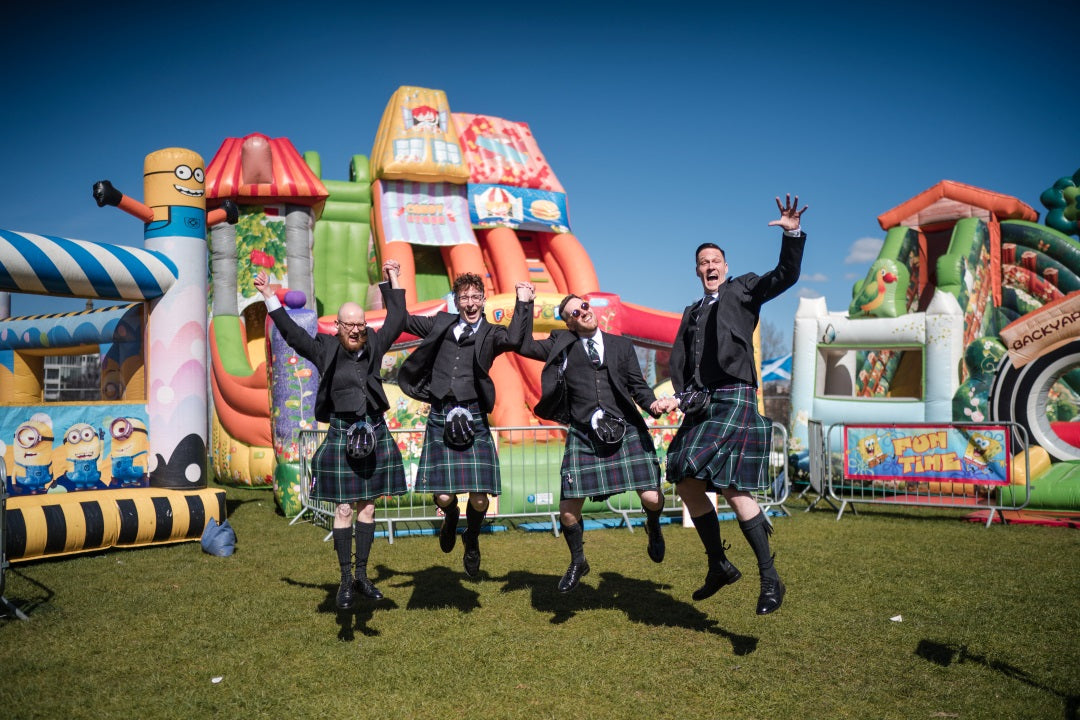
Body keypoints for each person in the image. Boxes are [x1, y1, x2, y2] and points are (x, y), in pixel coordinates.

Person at [667, 194, 807, 615]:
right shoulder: (691, 311)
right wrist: (679, 395)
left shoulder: (743, 288)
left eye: (715, 260)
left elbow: (784, 275)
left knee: (731, 486)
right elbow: (679, 360)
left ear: (724, 266)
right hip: (702, 402)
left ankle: (770, 579)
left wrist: (792, 234)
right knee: (683, 477)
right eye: (702, 262)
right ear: (697, 270)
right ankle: (719, 565)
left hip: (734, 395)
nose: (709, 266)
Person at [254, 261, 407, 610]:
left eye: (360, 324)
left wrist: (392, 279)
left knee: (368, 506)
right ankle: (344, 581)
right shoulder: (326, 349)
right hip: (341, 433)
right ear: (337, 325)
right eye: (349, 324)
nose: (355, 330)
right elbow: (293, 336)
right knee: (343, 510)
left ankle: (363, 577)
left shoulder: (374, 344)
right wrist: (268, 297)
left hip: (373, 432)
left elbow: (397, 318)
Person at [513, 285, 678, 592]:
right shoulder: (559, 344)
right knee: (567, 510)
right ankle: (578, 561)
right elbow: (518, 342)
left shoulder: (620, 345)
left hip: (626, 426)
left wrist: (652, 403)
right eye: (575, 312)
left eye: (585, 306)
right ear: (569, 323)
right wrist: (524, 302)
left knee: (652, 498)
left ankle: (652, 525)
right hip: (584, 433)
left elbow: (637, 386)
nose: (584, 312)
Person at [396, 273, 531, 578]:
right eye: (464, 298)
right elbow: (402, 319)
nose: (470, 303)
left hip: (474, 414)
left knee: (481, 496)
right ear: (456, 301)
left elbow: (515, 339)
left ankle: (471, 537)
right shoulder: (441, 322)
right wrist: (393, 279)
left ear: (483, 299)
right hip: (441, 413)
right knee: (444, 496)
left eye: (475, 297)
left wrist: (523, 302)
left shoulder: (492, 333)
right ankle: (450, 519)